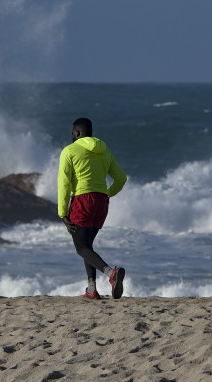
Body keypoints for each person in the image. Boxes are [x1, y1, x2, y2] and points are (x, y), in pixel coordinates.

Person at [58, 117, 128, 299]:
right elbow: (121, 178)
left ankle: (111, 273)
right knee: (87, 246)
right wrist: (107, 194)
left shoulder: (69, 151)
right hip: (101, 202)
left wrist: (62, 212)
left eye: (73, 132)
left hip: (83, 200)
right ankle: (91, 289)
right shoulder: (104, 150)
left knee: (81, 248)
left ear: (78, 133)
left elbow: (64, 183)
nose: (71, 135)